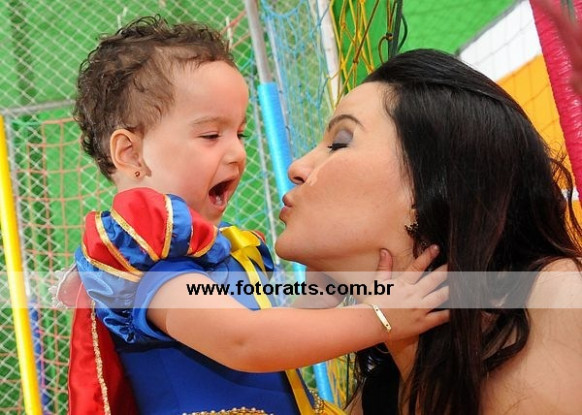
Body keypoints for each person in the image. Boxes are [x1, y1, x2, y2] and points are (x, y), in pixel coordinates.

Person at [63, 16, 450, 415]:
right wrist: (381, 318)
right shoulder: (149, 267)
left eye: (240, 134)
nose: (237, 153)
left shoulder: (215, 254)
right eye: (211, 135)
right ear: (130, 154)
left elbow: (279, 345)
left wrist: (322, 289)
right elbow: (245, 342)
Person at [275, 48, 582, 414]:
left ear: (431, 185)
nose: (297, 167)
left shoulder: (560, 295)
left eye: (340, 142)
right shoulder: (374, 399)